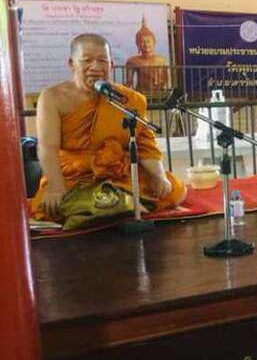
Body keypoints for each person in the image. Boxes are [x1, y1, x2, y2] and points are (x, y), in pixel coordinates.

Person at [31, 33, 186, 224]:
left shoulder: (129, 99)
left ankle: (113, 204)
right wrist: (55, 187)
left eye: (102, 61)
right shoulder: (53, 97)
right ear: (72, 64)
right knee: (51, 205)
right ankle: (119, 204)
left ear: (111, 64)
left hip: (117, 173)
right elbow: (48, 147)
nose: (96, 67)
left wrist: (159, 177)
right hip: (73, 178)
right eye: (87, 60)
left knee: (175, 189)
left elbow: (145, 145)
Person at [125, 17, 169, 97]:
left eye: (148, 41)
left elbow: (167, 81)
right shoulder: (132, 61)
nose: (146, 44)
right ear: (137, 44)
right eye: (142, 42)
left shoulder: (161, 60)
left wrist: (164, 88)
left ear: (154, 42)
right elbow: (129, 82)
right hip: (141, 94)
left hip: (159, 94)